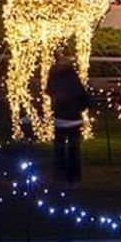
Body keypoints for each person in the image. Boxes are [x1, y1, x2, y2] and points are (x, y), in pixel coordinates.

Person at [44, 58, 90, 186]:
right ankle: (73, 179)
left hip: (60, 119)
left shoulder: (53, 78)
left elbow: (47, 91)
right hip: (74, 119)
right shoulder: (74, 79)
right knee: (73, 150)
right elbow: (83, 97)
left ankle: (60, 176)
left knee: (59, 148)